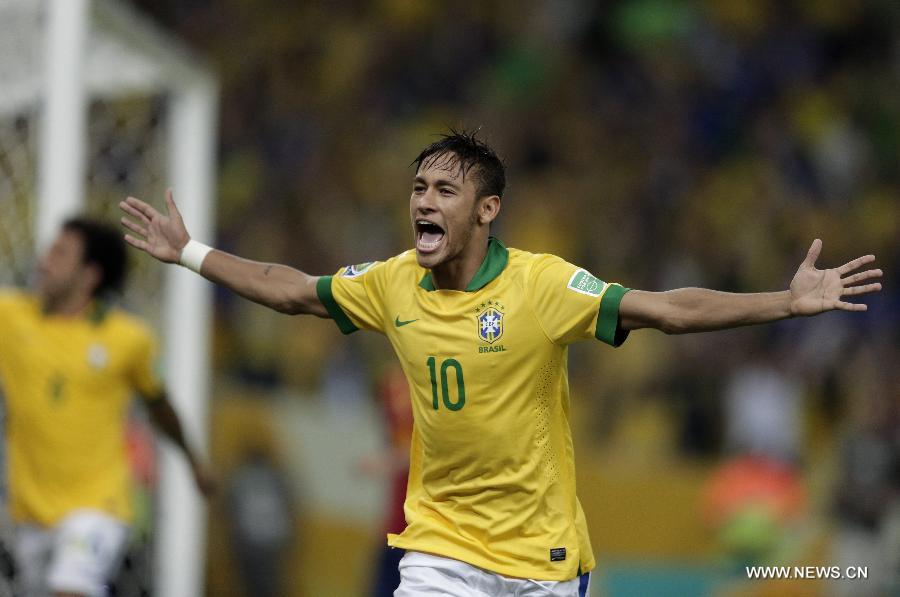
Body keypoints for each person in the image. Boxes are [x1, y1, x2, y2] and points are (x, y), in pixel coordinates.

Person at [120, 131, 882, 597]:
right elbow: (287, 290)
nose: (424, 200)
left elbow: (668, 308)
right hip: (440, 549)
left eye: (446, 189)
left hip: (541, 556)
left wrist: (784, 303)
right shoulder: (392, 282)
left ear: (487, 210)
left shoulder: (543, 286)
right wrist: (187, 251)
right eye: (418, 186)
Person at [0, 218, 214, 597]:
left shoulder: (127, 339)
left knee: (71, 589)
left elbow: (159, 407)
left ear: (89, 275)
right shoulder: (10, 317)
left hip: (98, 505)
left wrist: (193, 460)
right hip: (30, 513)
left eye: (60, 253)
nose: (44, 261)